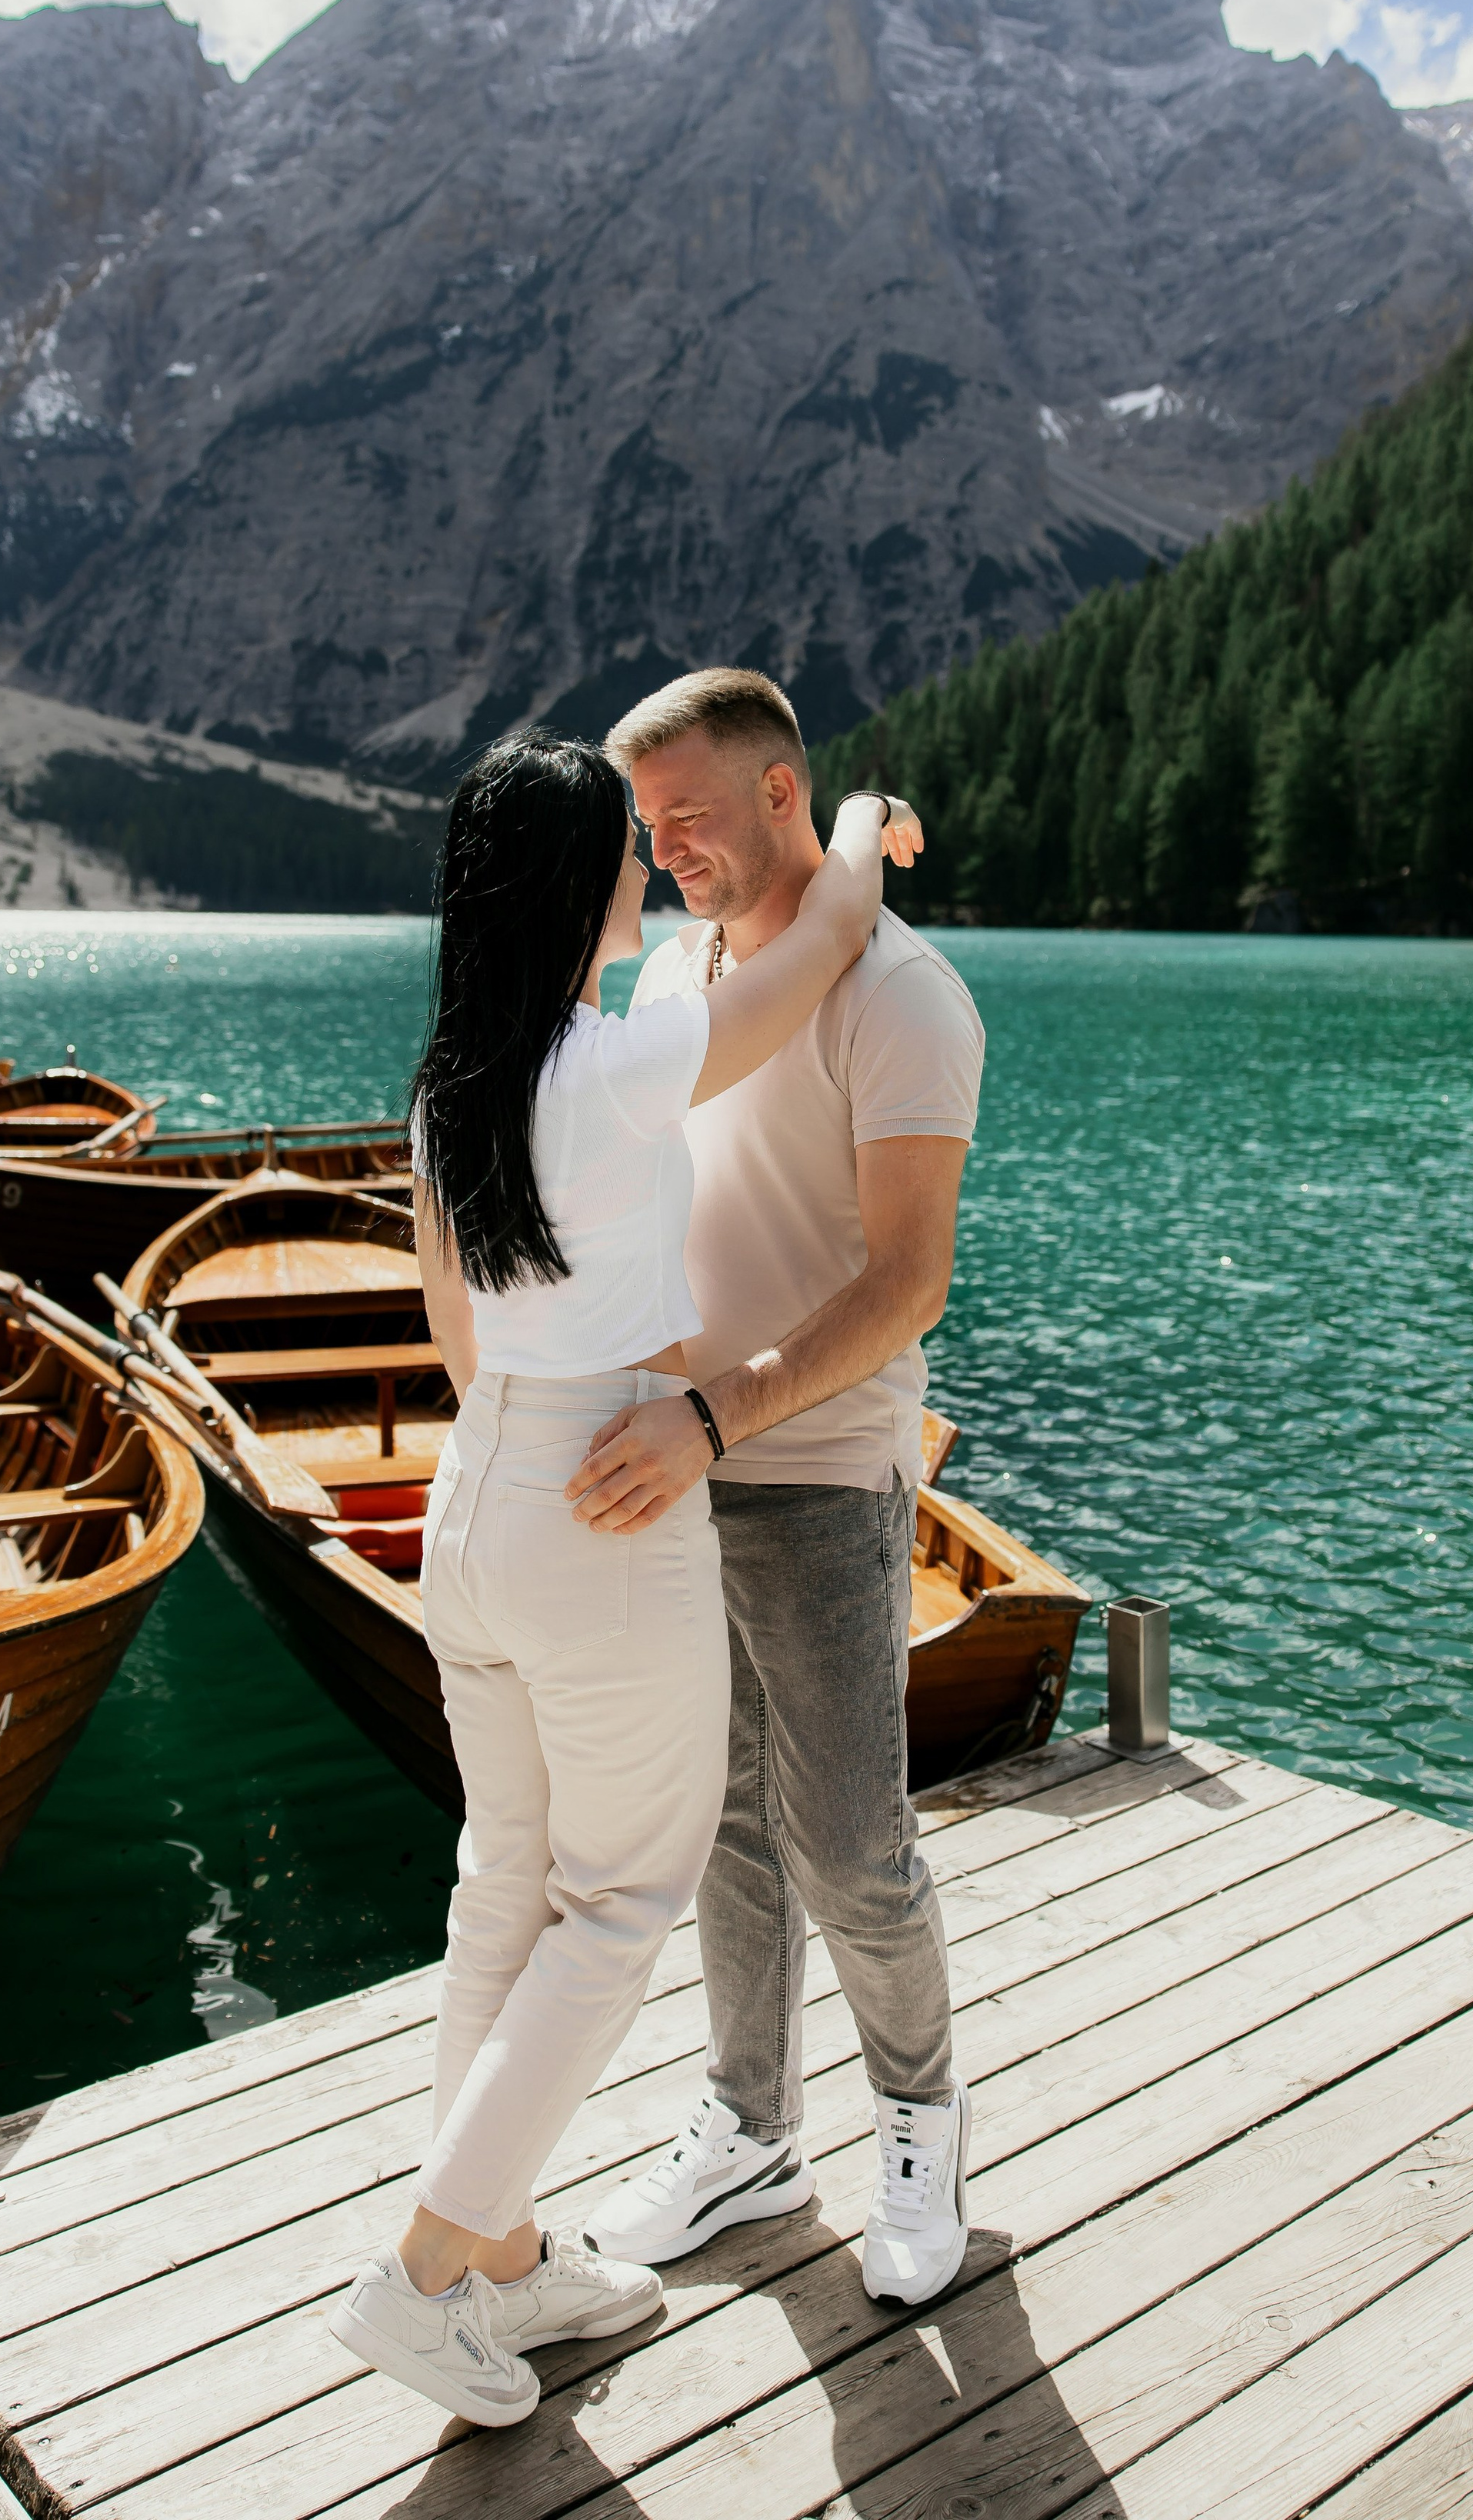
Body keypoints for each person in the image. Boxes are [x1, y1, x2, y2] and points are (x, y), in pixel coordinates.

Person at [328, 729, 921, 2429]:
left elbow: (454, 1325)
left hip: (479, 1490)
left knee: (502, 1885)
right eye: (623, 849)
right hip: (602, 1493)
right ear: (570, 885)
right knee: (617, 1902)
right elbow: (815, 948)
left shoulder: (453, 1081)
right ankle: (427, 2271)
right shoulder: (624, 1062)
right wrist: (863, 821)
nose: (646, 870)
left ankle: (505, 2261)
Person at [568, 668, 985, 2310]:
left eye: (689, 816)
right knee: (724, 1830)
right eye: (643, 824)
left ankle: (917, 2121)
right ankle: (746, 2130)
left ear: (776, 796)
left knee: (848, 1842)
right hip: (679, 1466)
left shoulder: (903, 995)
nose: (664, 849)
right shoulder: (683, 966)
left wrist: (712, 1420)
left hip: (808, 1468)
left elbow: (906, 1286)